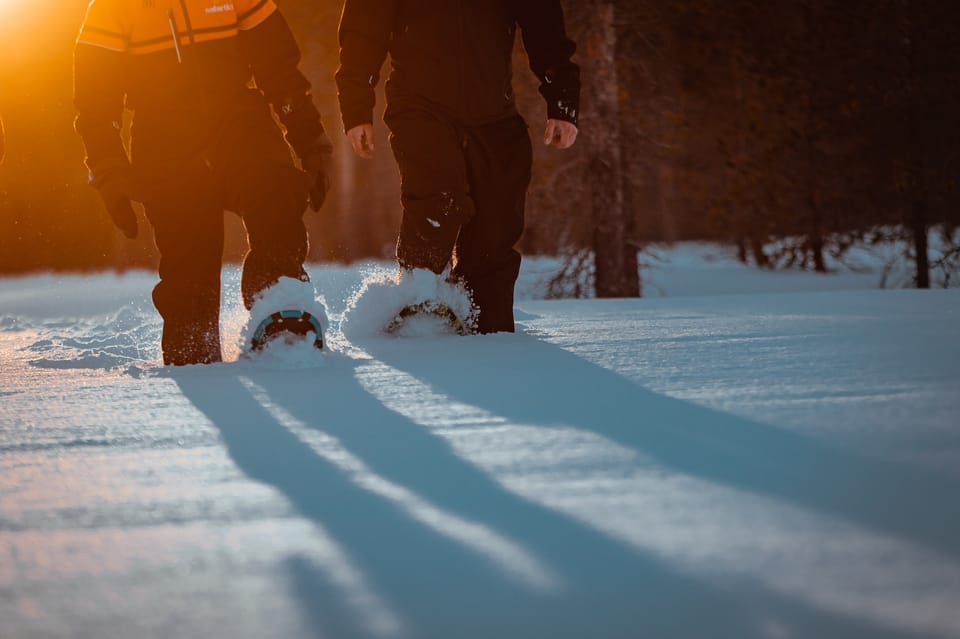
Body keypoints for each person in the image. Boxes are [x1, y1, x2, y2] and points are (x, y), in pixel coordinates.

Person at [74, 0, 332, 365]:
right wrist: (108, 169)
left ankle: (281, 317)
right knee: (188, 263)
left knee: (275, 191)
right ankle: (192, 352)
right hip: (164, 139)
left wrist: (310, 138)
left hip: (240, 122)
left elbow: (279, 67)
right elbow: (94, 99)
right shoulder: (112, 8)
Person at [336, 1, 580, 334]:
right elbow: (363, 31)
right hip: (419, 105)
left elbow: (544, 25)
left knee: (495, 227)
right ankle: (418, 307)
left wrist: (562, 99)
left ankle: (489, 334)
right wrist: (356, 107)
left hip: (494, 112)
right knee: (439, 198)